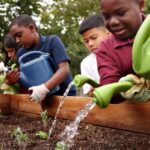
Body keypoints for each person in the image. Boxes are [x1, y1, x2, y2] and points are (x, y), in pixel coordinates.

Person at [9, 14, 76, 101]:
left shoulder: (52, 42)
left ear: (31, 28)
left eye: (19, 35)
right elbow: (25, 80)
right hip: (43, 99)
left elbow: (64, 69)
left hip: (66, 95)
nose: (17, 41)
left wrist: (44, 88)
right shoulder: (21, 54)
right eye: (14, 38)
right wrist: (13, 79)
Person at [96, 0, 145, 102]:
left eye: (121, 13)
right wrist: (126, 88)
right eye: (106, 17)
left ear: (140, 5)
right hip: (134, 114)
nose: (113, 22)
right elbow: (110, 92)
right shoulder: (106, 48)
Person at [79, 14, 110, 95]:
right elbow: (89, 94)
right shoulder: (86, 63)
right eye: (86, 41)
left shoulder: (124, 51)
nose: (90, 44)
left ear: (109, 33)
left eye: (94, 38)